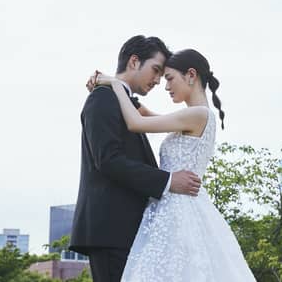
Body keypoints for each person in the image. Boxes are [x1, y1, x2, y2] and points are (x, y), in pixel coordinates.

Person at [90, 48, 256, 281]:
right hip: (174, 207)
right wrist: (112, 83)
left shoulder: (198, 114)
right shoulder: (193, 116)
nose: (165, 86)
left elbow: (136, 122)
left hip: (178, 209)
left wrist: (116, 84)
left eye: (169, 78)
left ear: (190, 75)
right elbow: (145, 113)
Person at [69, 35, 202, 282]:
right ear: (134, 61)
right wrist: (168, 181)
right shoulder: (102, 98)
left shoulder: (120, 99)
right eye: (155, 70)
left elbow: (140, 114)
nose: (158, 80)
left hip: (127, 230)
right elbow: (108, 160)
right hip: (111, 231)